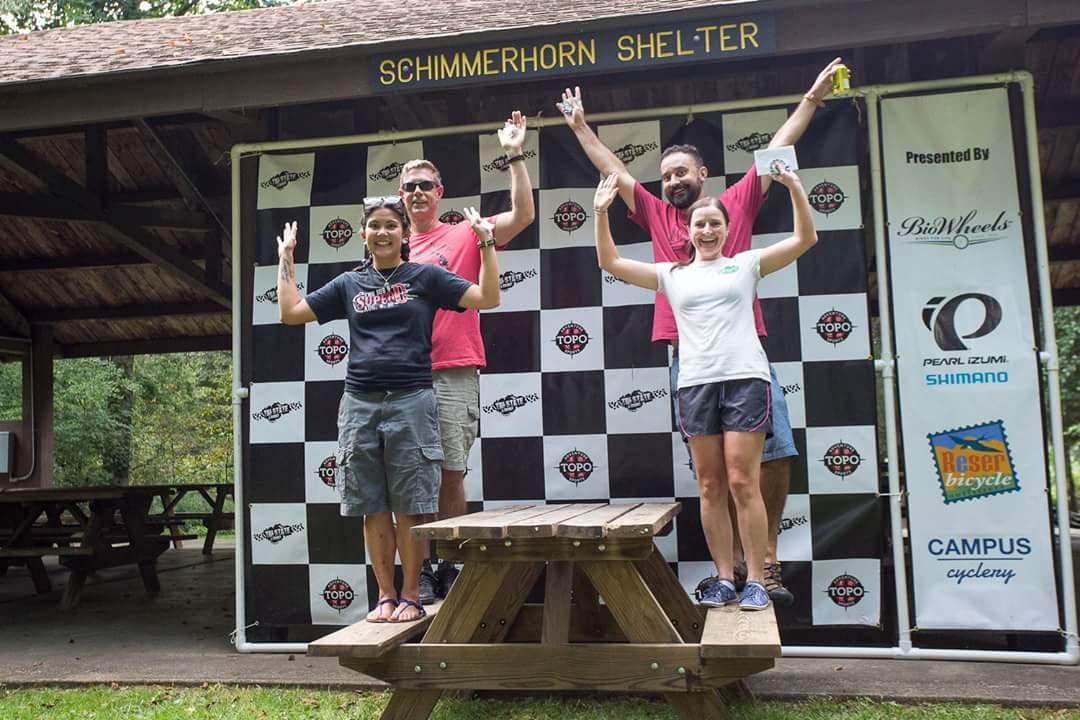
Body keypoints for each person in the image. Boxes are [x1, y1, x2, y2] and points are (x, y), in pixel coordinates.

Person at [558, 59, 845, 605]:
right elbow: (615, 173)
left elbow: (775, 150)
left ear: (702, 177)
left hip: (744, 358)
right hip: (686, 360)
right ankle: (730, 567)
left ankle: (766, 563)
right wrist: (579, 127)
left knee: (774, 456)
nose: (673, 182)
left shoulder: (732, 205)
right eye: (666, 177)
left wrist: (809, 99)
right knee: (712, 478)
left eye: (682, 174)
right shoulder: (656, 217)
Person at [592, 167, 818, 609]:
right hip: (695, 384)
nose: (708, 230)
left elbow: (804, 239)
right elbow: (611, 263)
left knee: (743, 482)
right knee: (710, 486)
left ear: (727, 229)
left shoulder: (747, 264)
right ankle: (722, 577)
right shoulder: (671, 275)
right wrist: (601, 213)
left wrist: (794, 187)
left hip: (745, 380)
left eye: (715, 223)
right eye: (700, 224)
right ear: (689, 233)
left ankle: (755, 578)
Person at [275, 197, 500, 623]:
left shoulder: (427, 277)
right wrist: (286, 260)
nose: (382, 232)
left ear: (404, 234)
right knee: (371, 503)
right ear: (363, 235)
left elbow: (488, 298)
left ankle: (412, 595)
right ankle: (385, 595)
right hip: (360, 403)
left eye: (391, 226)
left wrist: (486, 244)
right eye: (374, 226)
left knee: (412, 504)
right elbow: (290, 313)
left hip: (413, 401)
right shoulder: (348, 284)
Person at [400, 111, 536, 603]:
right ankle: (422, 567)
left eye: (425, 185)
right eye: (409, 186)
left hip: (454, 369)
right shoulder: (389, 247)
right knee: (412, 477)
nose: (417, 193)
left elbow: (522, 216)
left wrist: (515, 155)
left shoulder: (462, 233)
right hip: (402, 375)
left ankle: (450, 563)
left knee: (451, 472)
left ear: (440, 193)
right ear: (400, 197)